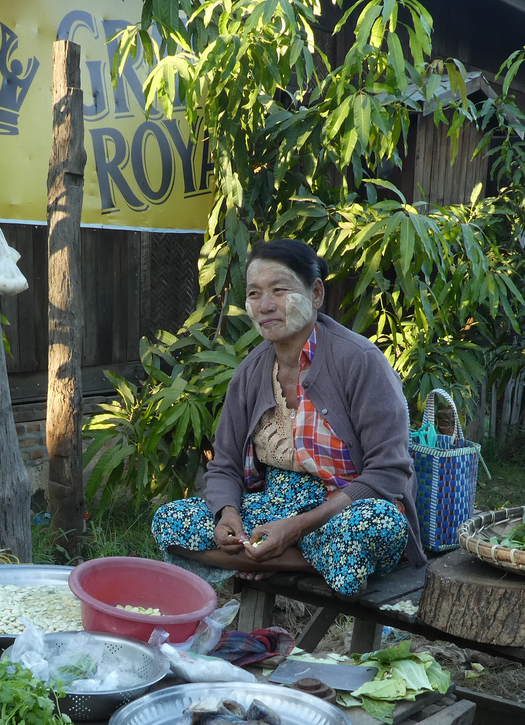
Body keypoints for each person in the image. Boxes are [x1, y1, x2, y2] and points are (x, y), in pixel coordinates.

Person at [152, 239, 425, 596]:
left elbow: (389, 471)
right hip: (272, 509)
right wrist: (227, 514)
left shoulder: (360, 360)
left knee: (377, 524)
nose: (265, 305)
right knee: (169, 521)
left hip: (344, 509)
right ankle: (289, 556)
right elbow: (225, 465)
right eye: (254, 294)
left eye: (279, 290)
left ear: (315, 293)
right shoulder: (250, 372)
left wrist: (297, 528)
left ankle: (270, 555)